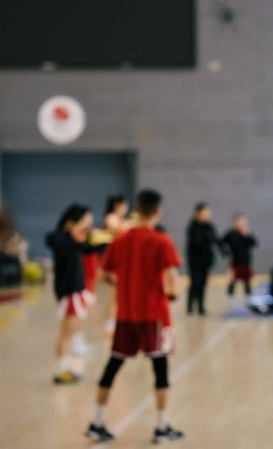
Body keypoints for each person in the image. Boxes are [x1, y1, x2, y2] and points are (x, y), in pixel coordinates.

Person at [85, 190, 184, 444]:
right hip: (156, 316)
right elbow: (174, 279)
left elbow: (103, 274)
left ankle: (96, 422)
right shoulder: (161, 241)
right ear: (157, 212)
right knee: (161, 371)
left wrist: (123, 286)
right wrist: (172, 293)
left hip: (126, 315)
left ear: (137, 210)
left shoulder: (120, 240)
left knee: (113, 366)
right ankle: (162, 427)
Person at [45, 204, 101, 384]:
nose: (86, 228)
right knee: (66, 333)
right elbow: (60, 242)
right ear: (70, 222)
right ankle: (61, 371)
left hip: (75, 291)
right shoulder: (61, 239)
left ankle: (65, 369)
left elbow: (88, 248)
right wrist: (82, 238)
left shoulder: (72, 240)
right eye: (83, 223)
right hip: (69, 291)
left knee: (71, 331)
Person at [101, 194, 131, 337]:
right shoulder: (111, 218)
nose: (125, 208)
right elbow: (121, 230)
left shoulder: (122, 220)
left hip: (123, 259)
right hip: (114, 259)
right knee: (115, 293)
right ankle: (109, 323)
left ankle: (116, 321)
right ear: (116, 205)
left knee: (120, 294)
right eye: (123, 205)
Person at [185, 202, 219, 315]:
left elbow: (216, 240)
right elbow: (196, 243)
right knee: (195, 284)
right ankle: (190, 307)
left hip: (206, 261)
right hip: (195, 261)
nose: (206, 215)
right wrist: (206, 237)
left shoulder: (209, 226)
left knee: (203, 284)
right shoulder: (192, 226)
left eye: (208, 213)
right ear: (198, 213)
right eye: (204, 213)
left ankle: (200, 307)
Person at [221, 213, 258, 297]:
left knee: (247, 283)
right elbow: (221, 243)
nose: (240, 224)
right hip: (234, 263)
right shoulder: (231, 234)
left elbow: (254, 243)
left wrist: (248, 235)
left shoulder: (247, 233)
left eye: (242, 222)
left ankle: (248, 299)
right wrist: (227, 253)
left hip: (245, 262)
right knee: (232, 282)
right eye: (238, 221)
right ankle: (230, 299)